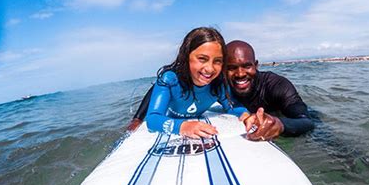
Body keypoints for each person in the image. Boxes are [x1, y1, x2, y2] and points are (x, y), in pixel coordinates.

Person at [128, 40, 313, 140]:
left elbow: (307, 121)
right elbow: (158, 88)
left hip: (282, 119)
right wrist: (138, 118)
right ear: (224, 69)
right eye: (231, 67)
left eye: (247, 66)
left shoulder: (276, 85)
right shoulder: (216, 82)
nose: (240, 74)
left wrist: (278, 124)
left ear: (256, 65)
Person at [144, 27, 248, 138]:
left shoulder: (218, 84)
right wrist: (182, 127)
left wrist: (245, 115)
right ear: (186, 56)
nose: (210, 69)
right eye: (202, 59)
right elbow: (152, 119)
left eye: (217, 61)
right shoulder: (170, 80)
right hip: (172, 119)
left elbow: (231, 107)